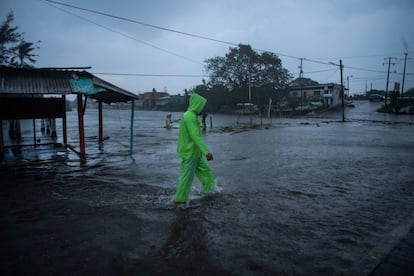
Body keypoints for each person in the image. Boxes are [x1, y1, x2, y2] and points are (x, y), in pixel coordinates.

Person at [174, 93, 215, 204]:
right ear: (197, 105)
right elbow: (195, 137)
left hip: (195, 154)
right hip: (190, 154)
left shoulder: (192, 116)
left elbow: (195, 134)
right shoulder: (189, 116)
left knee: (206, 172)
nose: (204, 108)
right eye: (202, 106)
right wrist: (206, 152)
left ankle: (210, 191)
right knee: (186, 179)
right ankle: (179, 201)